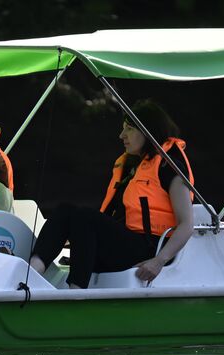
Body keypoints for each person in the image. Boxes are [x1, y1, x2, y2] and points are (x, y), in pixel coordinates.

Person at [29, 103, 195, 288]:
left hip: (149, 249)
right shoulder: (132, 168)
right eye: (123, 129)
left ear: (149, 132)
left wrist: (158, 261)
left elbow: (187, 225)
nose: (121, 136)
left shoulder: (169, 167)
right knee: (65, 210)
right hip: (123, 246)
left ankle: (75, 291)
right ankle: (31, 274)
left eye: (129, 129)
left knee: (85, 216)